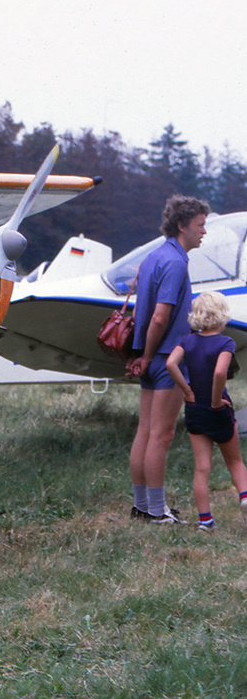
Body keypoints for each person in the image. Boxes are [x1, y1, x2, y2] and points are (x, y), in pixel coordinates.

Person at [125, 195, 210, 524]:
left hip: (151, 355)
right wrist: (148, 356)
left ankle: (142, 506)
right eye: (200, 225)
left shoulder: (154, 257)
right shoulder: (176, 263)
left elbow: (142, 312)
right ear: (182, 225)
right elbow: (161, 317)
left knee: (145, 431)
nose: (204, 231)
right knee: (162, 434)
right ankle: (158, 512)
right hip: (166, 358)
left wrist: (139, 353)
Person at [164, 291, 247, 531]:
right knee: (235, 462)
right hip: (218, 409)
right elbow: (220, 372)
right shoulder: (225, 342)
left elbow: (170, 363)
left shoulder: (186, 341)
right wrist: (216, 401)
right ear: (222, 315)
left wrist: (187, 392)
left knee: (202, 467)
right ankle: (244, 497)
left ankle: (206, 521)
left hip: (194, 409)